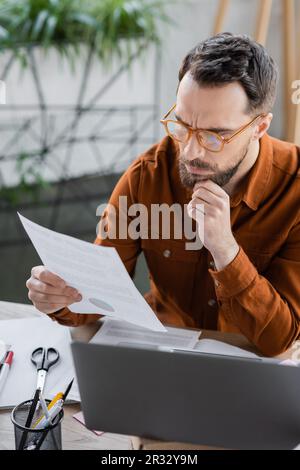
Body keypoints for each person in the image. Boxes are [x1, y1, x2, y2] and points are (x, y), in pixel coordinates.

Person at [26, 33, 300, 356]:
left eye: (215, 136)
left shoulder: (294, 191)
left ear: (259, 127)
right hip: (163, 353)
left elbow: (280, 339)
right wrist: (59, 299)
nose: (191, 151)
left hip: (251, 367)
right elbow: (95, 297)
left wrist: (226, 250)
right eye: (183, 126)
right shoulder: (148, 176)